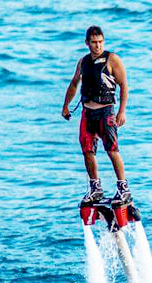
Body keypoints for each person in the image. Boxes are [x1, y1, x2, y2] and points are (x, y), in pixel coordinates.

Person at [61, 25, 131, 204]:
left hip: (106, 111)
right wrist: (66, 106)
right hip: (87, 113)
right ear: (87, 43)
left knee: (112, 150)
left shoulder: (112, 59)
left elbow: (124, 85)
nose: (97, 46)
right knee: (87, 151)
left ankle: (123, 188)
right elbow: (74, 84)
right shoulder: (83, 62)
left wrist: (122, 111)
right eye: (93, 42)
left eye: (100, 42)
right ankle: (95, 188)